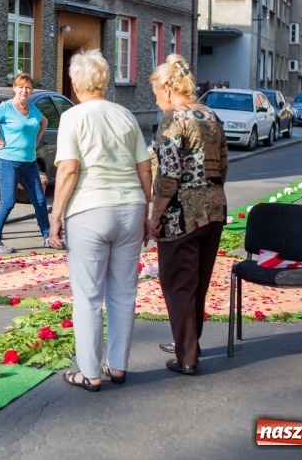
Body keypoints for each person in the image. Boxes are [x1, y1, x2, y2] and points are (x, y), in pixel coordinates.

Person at [50, 49, 152, 392]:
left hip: (90, 210)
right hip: (131, 208)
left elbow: (68, 170)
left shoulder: (73, 118)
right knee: (124, 294)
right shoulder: (125, 115)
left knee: (89, 296)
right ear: (105, 82)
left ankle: (90, 372)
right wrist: (147, 211)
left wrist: (55, 216)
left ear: (76, 84)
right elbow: (144, 168)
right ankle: (118, 366)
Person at [149, 54, 228, 375]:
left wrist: (155, 216)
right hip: (215, 209)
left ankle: (187, 357)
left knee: (178, 283)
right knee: (198, 283)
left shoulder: (173, 119)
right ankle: (191, 344)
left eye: (156, 94)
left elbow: (168, 175)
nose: (157, 101)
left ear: (168, 89)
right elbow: (223, 166)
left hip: (181, 215)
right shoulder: (210, 115)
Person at [0, 73, 50, 253]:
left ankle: (49, 237)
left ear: (31, 90)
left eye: (28, 87)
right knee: (8, 202)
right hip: (9, 161)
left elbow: (44, 121)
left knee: (40, 201)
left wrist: (37, 139)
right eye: (21, 87)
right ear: (14, 88)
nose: (24, 90)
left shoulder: (33, 108)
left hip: (29, 163)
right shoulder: (6, 107)